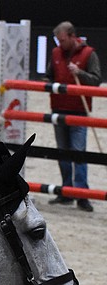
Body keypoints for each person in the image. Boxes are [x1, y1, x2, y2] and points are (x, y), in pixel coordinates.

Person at [45, 21, 102, 212]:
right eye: (58, 41)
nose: (60, 44)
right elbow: (49, 76)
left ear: (71, 36)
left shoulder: (89, 54)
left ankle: (82, 195)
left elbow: (96, 81)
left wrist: (80, 73)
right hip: (58, 110)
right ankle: (66, 191)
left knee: (78, 153)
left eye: (62, 40)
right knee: (62, 153)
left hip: (79, 111)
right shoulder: (55, 54)